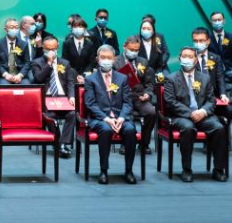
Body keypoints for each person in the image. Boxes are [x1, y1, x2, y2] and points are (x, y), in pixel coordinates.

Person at [163, 46, 228, 182]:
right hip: (181, 116)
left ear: (195, 60)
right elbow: (170, 102)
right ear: (180, 58)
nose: (187, 59)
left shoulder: (205, 78)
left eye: (190, 56)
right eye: (184, 56)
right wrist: (191, 113)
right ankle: (187, 169)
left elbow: (211, 100)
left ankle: (218, 169)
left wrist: (203, 111)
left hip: (203, 114)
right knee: (187, 129)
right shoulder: (171, 78)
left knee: (219, 128)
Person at [83, 45, 138, 185]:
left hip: (120, 117)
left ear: (114, 59)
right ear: (97, 59)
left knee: (131, 129)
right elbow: (90, 104)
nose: (106, 60)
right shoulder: (90, 79)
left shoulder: (122, 78)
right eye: (103, 58)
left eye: (109, 58)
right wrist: (106, 119)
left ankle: (129, 170)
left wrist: (121, 118)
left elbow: (127, 102)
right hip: (100, 118)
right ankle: (103, 170)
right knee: (106, 130)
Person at [31, 36, 76, 158]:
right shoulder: (37, 63)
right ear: (43, 48)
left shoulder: (65, 63)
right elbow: (38, 78)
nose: (51, 51)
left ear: (57, 48)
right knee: (49, 116)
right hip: (47, 99)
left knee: (72, 114)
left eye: (53, 48)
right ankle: (59, 144)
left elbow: (71, 82)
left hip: (62, 99)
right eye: (48, 49)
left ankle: (62, 143)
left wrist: (72, 97)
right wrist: (49, 64)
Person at [114, 36, 155, 156]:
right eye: (131, 49)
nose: (134, 52)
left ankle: (144, 143)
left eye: (136, 50)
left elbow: (149, 84)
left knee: (151, 113)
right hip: (121, 97)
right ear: (124, 47)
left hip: (139, 97)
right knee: (124, 113)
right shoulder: (115, 62)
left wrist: (148, 94)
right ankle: (125, 142)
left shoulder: (143, 62)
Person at [0, 18, 33, 85]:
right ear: (5, 29)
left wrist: (20, 75)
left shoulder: (24, 44)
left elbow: (27, 62)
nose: (14, 29)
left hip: (19, 74)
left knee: (26, 87)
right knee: (5, 88)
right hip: (3, 75)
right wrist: (5, 74)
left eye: (16, 27)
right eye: (12, 27)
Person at [62, 16, 97, 82]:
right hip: (70, 76)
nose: (78, 29)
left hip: (86, 76)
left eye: (80, 26)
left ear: (85, 28)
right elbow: (65, 61)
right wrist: (75, 75)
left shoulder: (90, 44)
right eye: (75, 27)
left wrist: (83, 75)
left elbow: (91, 62)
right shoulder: (67, 43)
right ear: (72, 28)